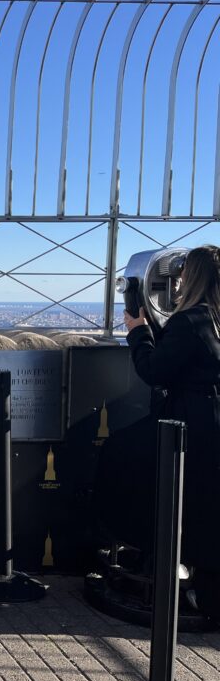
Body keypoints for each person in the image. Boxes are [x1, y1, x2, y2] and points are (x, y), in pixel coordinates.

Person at [125, 244, 220, 621]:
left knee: (186, 501)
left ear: (190, 277)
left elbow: (155, 371)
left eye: (181, 274)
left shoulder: (191, 321)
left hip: (190, 424)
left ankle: (191, 588)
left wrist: (137, 332)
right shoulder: (213, 318)